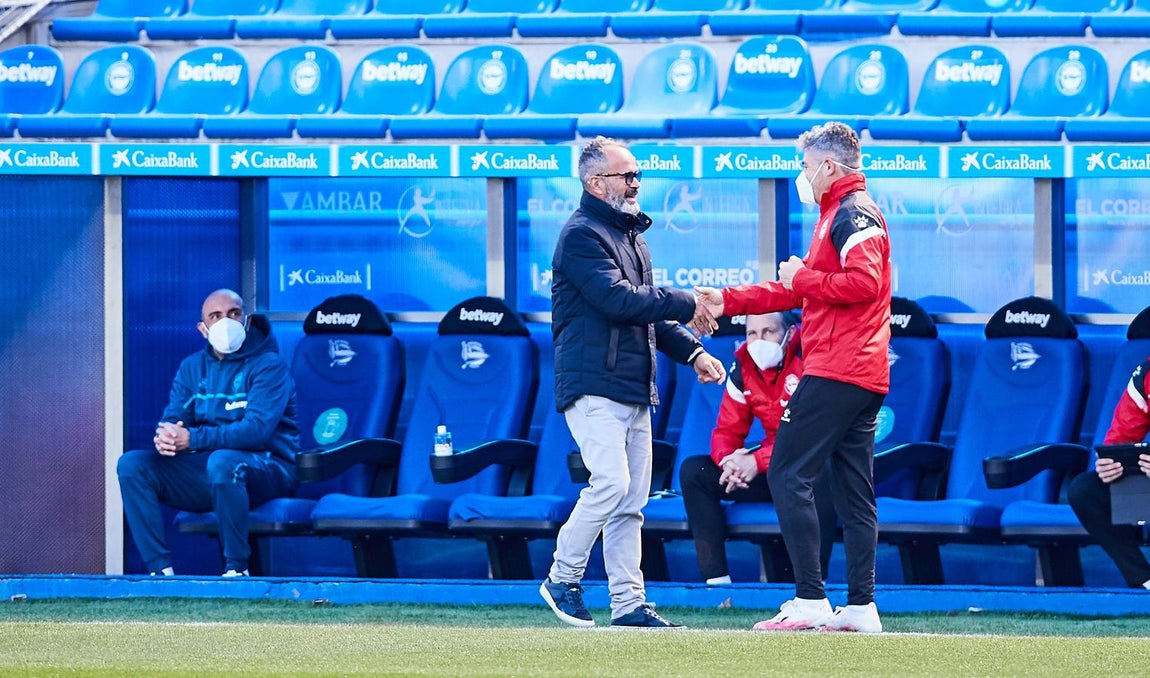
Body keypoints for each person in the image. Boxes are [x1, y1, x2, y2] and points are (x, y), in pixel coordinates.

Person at [694, 121, 892, 633]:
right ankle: (861, 608)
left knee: (787, 472)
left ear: (828, 166)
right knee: (853, 490)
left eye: (805, 166)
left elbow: (862, 285)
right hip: (860, 371)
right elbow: (801, 292)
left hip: (838, 368)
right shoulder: (836, 214)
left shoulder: (853, 213)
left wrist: (800, 277)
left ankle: (810, 600)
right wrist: (730, 300)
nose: (802, 176)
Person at [540, 136, 727, 629]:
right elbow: (620, 300)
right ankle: (562, 577)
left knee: (630, 504)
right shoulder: (581, 234)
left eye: (637, 174)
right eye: (627, 175)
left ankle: (627, 604)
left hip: (634, 388)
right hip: (592, 385)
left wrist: (692, 352)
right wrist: (688, 302)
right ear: (595, 182)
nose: (636, 182)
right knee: (612, 484)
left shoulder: (631, 236)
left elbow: (644, 313)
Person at [117, 289, 300, 577]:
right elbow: (176, 414)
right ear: (203, 329)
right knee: (132, 465)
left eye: (234, 314)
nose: (226, 322)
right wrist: (167, 436)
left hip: (269, 469)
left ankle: (238, 570)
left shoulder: (269, 366)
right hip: (212, 471)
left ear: (247, 322)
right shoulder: (192, 367)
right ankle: (159, 572)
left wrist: (193, 439)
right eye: (215, 316)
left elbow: (256, 431)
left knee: (223, 462)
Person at [680, 312, 838, 585]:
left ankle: (814, 585)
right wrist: (730, 461)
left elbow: (813, 437)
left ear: (789, 332)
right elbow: (727, 431)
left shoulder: (812, 358)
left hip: (818, 467)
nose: (758, 341)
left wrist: (757, 461)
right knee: (695, 471)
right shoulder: (743, 364)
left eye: (768, 332)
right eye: (752, 333)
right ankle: (718, 588)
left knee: (819, 468)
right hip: (776, 469)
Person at [1068, 358, 1150, 589]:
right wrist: (1109, 465)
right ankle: (1144, 580)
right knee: (1086, 490)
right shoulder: (1146, 375)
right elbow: (1119, 441)